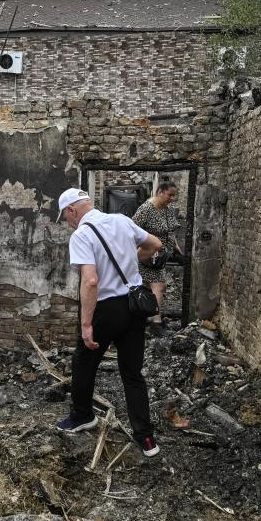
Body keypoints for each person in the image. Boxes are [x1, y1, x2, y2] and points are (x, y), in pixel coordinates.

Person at [55, 188, 164, 457]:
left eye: (66, 217)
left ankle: (82, 415)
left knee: (84, 361)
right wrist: (132, 258)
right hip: (134, 305)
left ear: (72, 211)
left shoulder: (81, 234)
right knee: (132, 373)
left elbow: (90, 281)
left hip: (108, 307)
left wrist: (86, 324)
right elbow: (155, 245)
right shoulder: (121, 220)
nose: (69, 222)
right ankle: (146, 438)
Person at [131, 181, 183, 337]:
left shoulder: (167, 210)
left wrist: (178, 251)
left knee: (147, 287)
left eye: (174, 195)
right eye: (170, 195)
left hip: (159, 257)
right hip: (148, 254)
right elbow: (132, 230)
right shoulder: (146, 209)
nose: (172, 198)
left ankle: (142, 319)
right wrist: (137, 250)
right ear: (160, 192)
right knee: (159, 286)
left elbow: (169, 233)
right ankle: (156, 322)